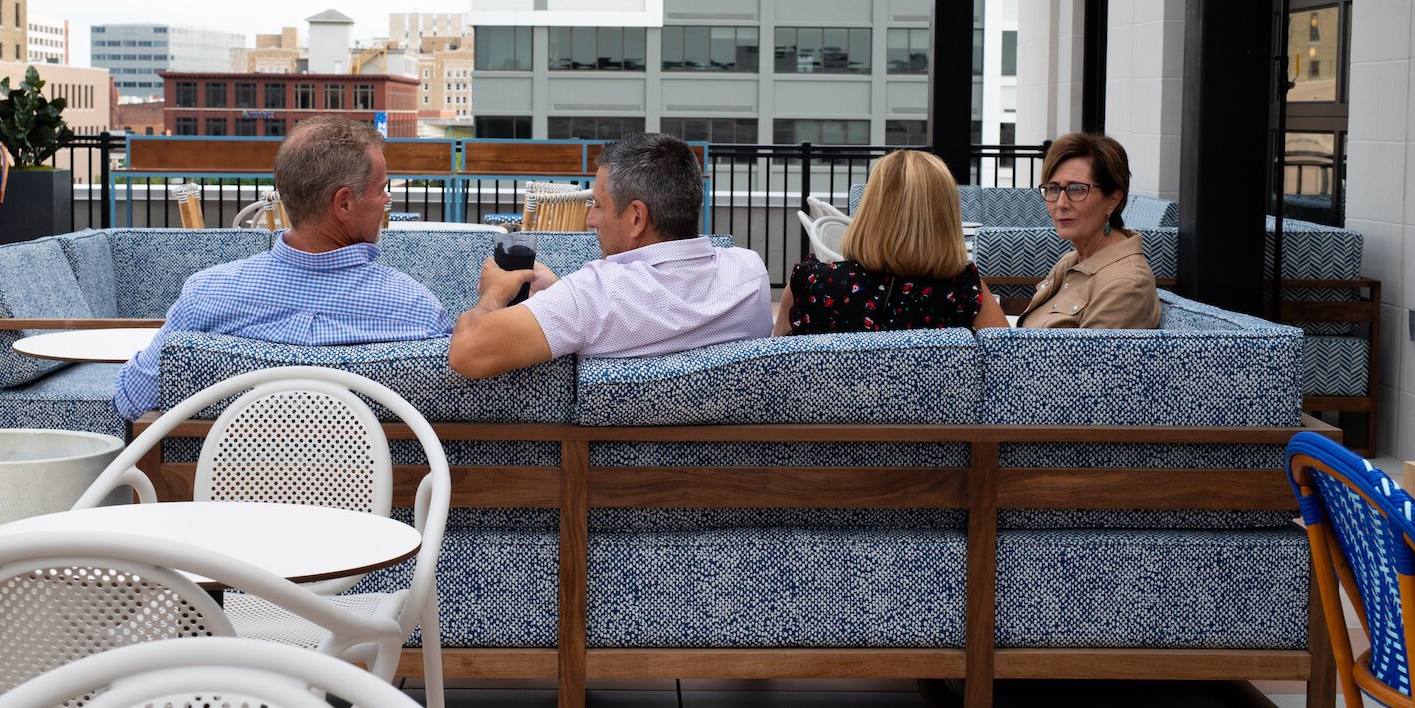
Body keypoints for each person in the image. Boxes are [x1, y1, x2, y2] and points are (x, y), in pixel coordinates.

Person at [113, 116, 453, 419]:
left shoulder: (206, 297)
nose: (386, 202)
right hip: (375, 487)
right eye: (382, 191)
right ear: (344, 202)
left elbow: (131, 399)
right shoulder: (416, 310)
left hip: (225, 486)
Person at [448, 132, 773, 378]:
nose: (590, 220)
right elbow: (644, 316)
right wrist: (559, 292)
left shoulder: (594, 295)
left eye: (599, 206)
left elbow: (467, 351)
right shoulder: (750, 273)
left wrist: (494, 293)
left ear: (636, 218)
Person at [774, 150, 1010, 335]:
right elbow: (1007, 365)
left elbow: (771, 366)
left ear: (869, 209)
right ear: (945, 218)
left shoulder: (811, 283)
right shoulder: (964, 287)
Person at [1018, 132, 1161, 329]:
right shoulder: (1070, 261)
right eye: (1052, 188)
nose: (1061, 203)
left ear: (1113, 200)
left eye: (1077, 189)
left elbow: (1089, 360)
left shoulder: (1125, 284)